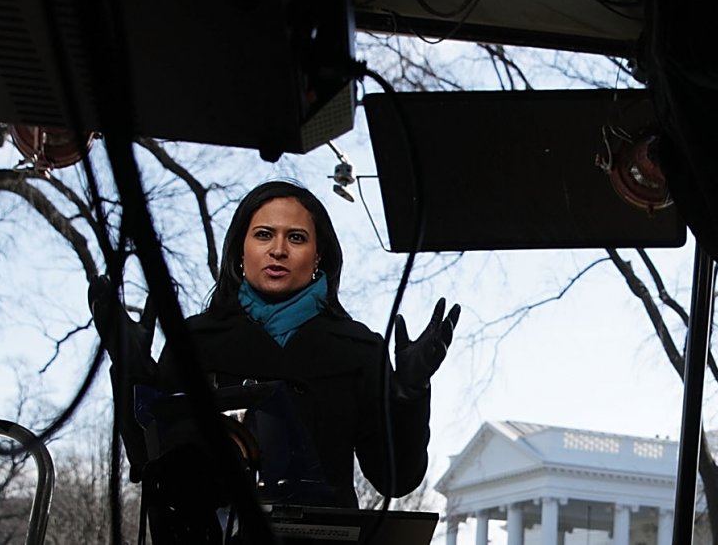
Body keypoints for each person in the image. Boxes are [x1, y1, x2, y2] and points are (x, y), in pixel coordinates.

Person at [89, 180, 460, 540]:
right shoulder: (195, 342)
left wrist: (409, 393)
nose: (278, 249)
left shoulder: (359, 349)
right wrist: (130, 369)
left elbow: (396, 480)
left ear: (319, 256)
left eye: (296, 237)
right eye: (264, 234)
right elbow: (147, 461)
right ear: (239, 250)